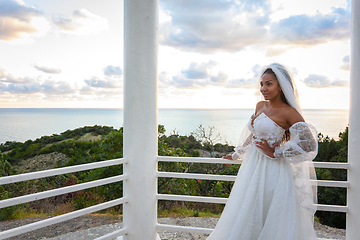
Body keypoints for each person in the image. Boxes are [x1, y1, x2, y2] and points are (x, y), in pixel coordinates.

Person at [207, 63, 318, 240]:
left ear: (280, 86)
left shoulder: (289, 112)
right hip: (252, 167)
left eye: (269, 84)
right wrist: (237, 154)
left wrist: (276, 153)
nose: (263, 88)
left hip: (274, 170)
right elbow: (254, 134)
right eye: (261, 84)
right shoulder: (260, 106)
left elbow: (309, 145)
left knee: (270, 212)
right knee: (247, 209)